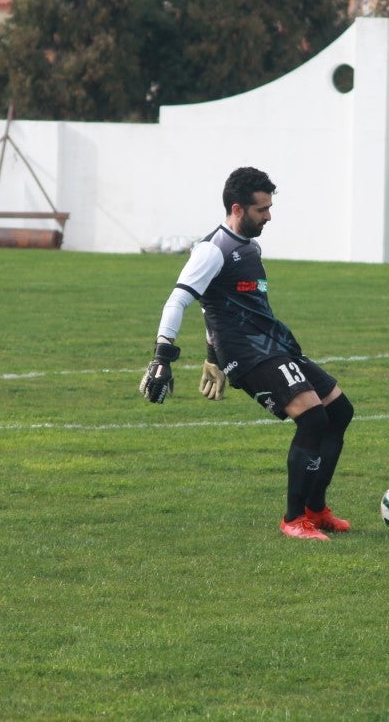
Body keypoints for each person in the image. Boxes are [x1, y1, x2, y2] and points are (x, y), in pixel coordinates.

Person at [140, 166, 355, 541]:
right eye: (262, 210)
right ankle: (293, 520)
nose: (269, 216)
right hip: (249, 354)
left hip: (273, 343)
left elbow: (216, 304)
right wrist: (162, 357)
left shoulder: (250, 247)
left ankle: (316, 510)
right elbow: (178, 301)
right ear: (238, 209)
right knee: (314, 420)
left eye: (270, 207)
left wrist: (211, 355)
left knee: (339, 411)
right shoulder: (212, 250)